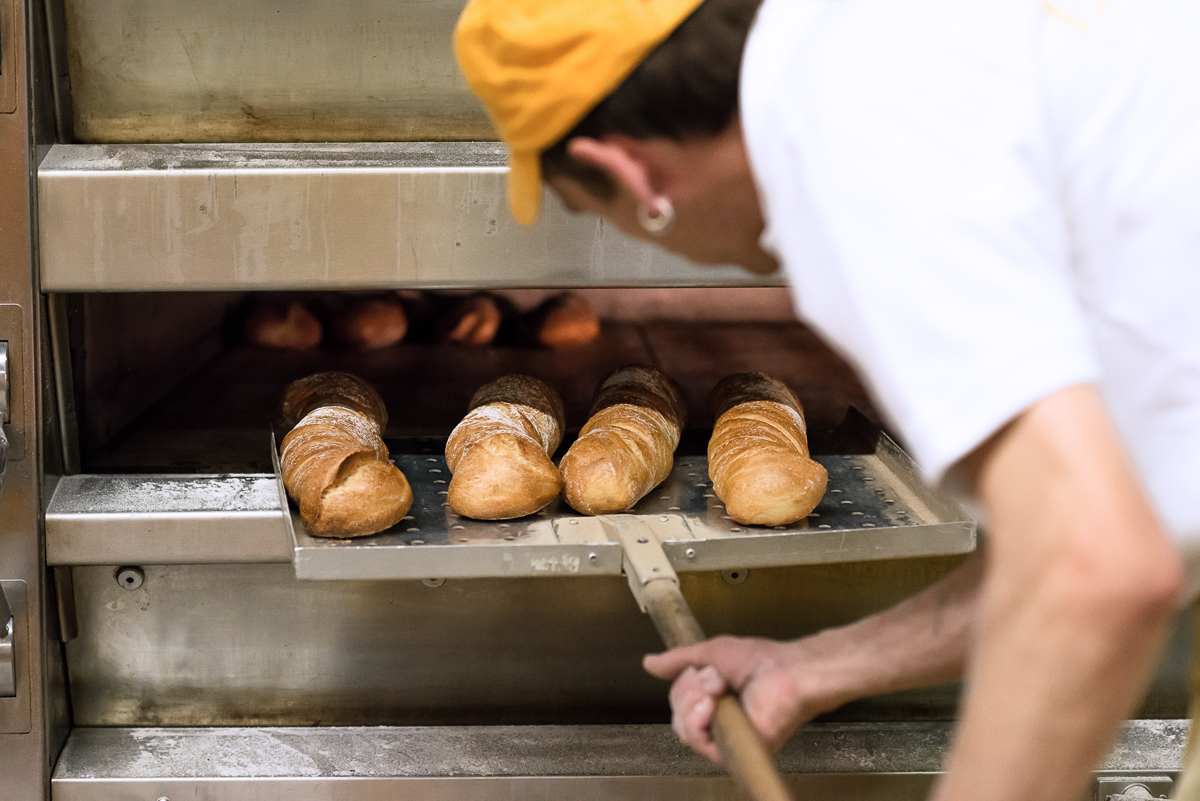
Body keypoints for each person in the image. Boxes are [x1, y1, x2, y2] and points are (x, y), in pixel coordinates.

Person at [453, 1, 1200, 799]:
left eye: (590, 207)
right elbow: (1118, 527)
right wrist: (816, 667)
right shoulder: (877, 43)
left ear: (636, 174)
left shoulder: (852, 143)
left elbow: (1096, 565)